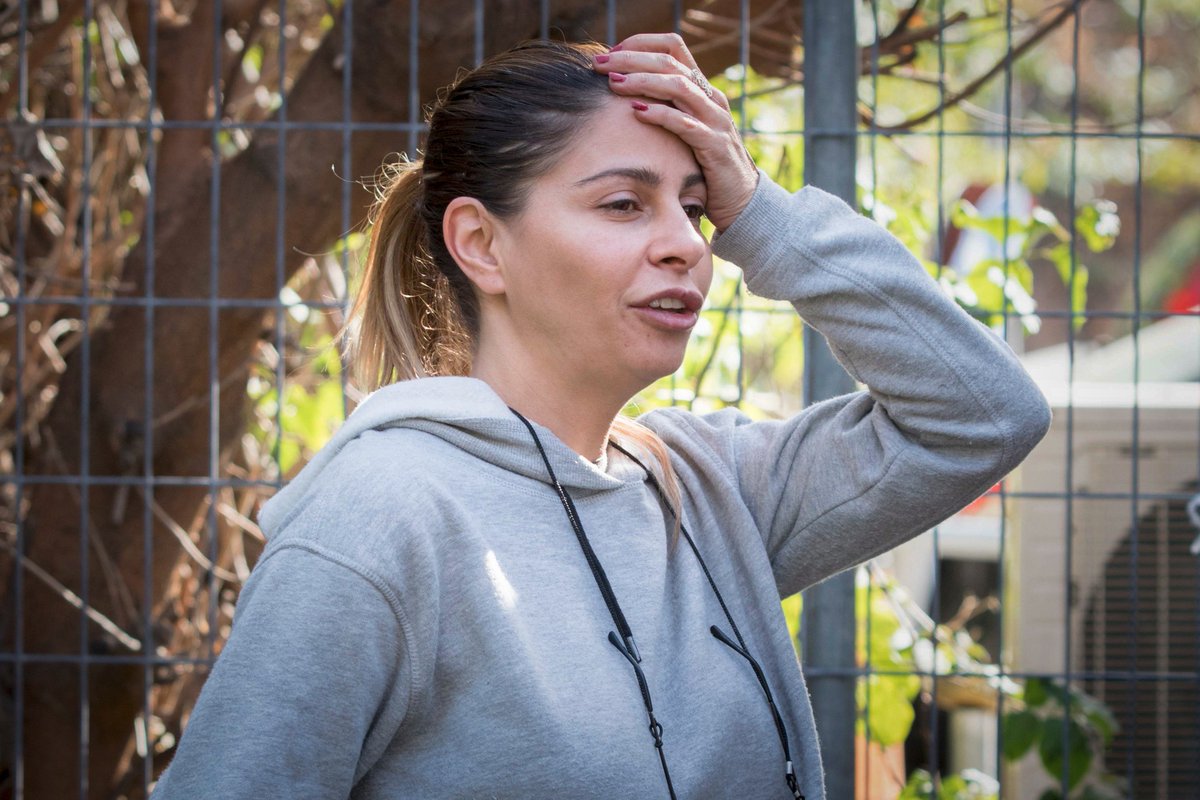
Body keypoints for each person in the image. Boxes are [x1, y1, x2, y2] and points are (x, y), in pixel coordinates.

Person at [151, 34, 1050, 800]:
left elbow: (985, 416)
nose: (687, 245)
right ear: (480, 244)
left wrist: (759, 213)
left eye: (696, 209)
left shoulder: (711, 490)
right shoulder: (380, 517)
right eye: (624, 204)